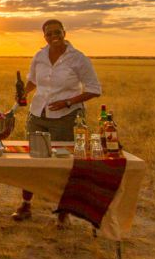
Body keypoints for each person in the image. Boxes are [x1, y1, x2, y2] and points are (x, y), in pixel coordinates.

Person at [12, 19, 101, 227]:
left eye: (57, 32)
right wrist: (23, 93)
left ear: (64, 32)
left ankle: (64, 211)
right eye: (49, 33)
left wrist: (68, 102)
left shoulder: (78, 59)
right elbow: (33, 81)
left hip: (66, 117)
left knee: (63, 163)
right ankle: (26, 205)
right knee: (33, 160)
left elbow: (94, 89)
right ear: (44, 36)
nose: (54, 36)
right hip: (38, 115)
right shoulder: (40, 56)